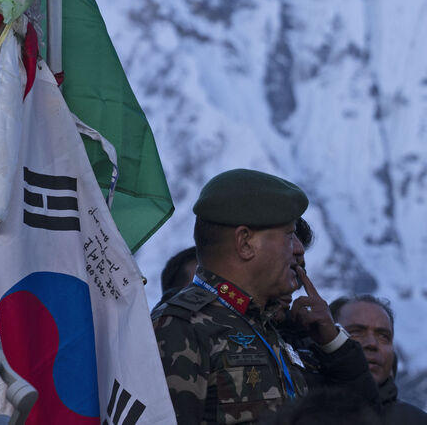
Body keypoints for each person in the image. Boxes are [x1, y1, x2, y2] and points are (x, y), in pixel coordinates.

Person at [151, 169, 374, 424]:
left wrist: (333, 344)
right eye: (289, 235)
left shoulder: (263, 324)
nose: (299, 249)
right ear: (245, 243)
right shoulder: (180, 326)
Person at [330, 294, 427, 425]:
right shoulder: (307, 410)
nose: (372, 343)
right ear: (327, 339)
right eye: (356, 332)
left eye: (384, 336)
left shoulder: (418, 422)